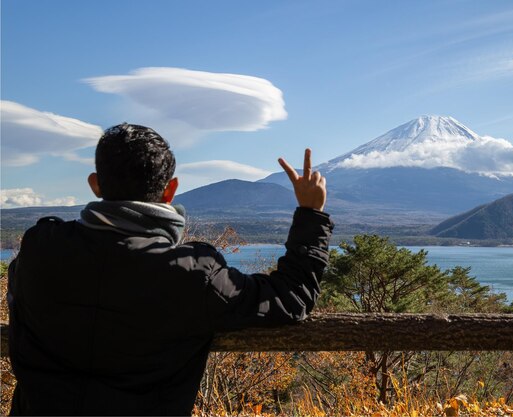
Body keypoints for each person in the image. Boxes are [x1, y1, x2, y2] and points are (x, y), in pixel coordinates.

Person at [7, 123, 333, 415]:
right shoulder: (192, 275)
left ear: (95, 184)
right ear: (170, 190)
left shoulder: (41, 248)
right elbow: (291, 298)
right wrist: (310, 215)